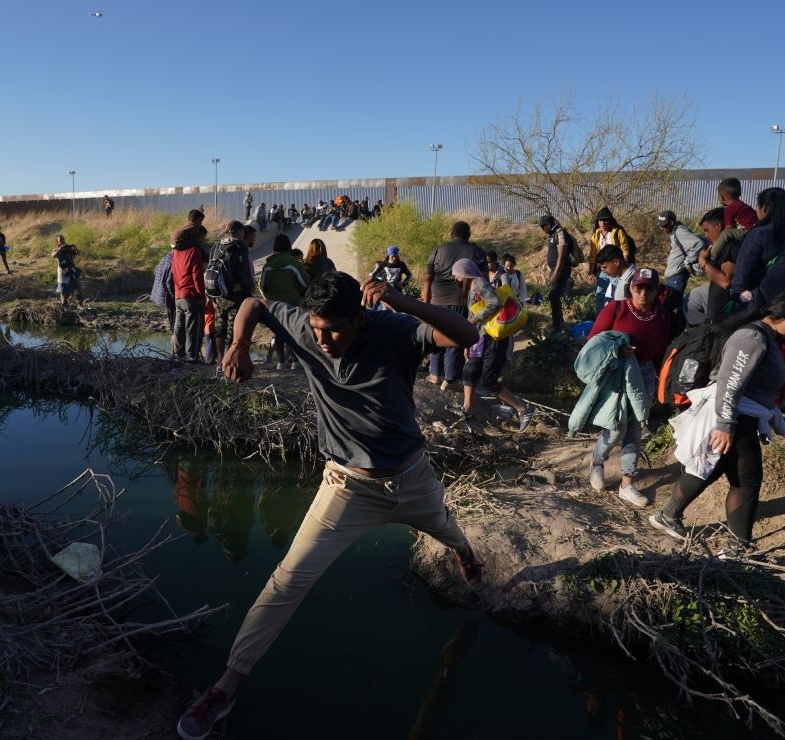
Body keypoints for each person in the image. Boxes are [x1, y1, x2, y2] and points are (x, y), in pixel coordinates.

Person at [175, 271, 486, 740]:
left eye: (333, 331)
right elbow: (252, 304)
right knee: (286, 580)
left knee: (443, 526)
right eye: (316, 329)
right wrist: (239, 343)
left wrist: (401, 300)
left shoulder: (394, 330)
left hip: (410, 477)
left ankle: (463, 551)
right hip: (346, 487)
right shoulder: (306, 327)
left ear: (361, 318)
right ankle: (226, 687)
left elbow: (467, 334)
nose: (322, 340)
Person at [648, 290, 785, 553]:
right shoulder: (752, 337)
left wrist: (769, 413)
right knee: (746, 481)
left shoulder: (762, 336)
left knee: (712, 469)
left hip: (741, 415)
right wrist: (726, 425)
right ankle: (738, 548)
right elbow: (729, 384)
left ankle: (669, 516)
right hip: (735, 417)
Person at [584, 267, 672, 506]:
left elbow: (660, 353)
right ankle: (598, 462)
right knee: (613, 428)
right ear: (631, 287)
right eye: (638, 287)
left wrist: (658, 382)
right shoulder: (616, 308)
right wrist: (617, 351)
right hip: (616, 373)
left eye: (648, 288)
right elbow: (593, 341)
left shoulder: (661, 316)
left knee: (635, 429)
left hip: (643, 374)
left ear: (656, 291)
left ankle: (627, 483)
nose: (643, 292)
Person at [450, 258, 535, 430]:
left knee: (489, 381)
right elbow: (472, 314)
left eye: (457, 276)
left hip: (492, 340)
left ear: (465, 273)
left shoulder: (478, 282)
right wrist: (467, 342)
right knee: (469, 370)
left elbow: (495, 303)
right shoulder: (472, 287)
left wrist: (475, 320)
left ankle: (523, 409)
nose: (457, 280)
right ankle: (466, 408)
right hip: (479, 338)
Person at [730, 187, 785, 311]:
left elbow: (742, 275)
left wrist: (737, 299)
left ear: (764, 208)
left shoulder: (759, 234)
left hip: (765, 305)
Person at [423, 221, 485, 389]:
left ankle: (435, 374)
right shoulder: (476, 251)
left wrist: (425, 302)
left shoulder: (438, 250)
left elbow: (428, 279)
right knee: (455, 338)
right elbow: (482, 279)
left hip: (437, 301)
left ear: (451, 234)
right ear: (469, 235)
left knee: (436, 336)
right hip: (462, 302)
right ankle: (450, 378)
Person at [258, 234, 307, 369]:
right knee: (294, 331)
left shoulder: (267, 265)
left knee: (278, 332)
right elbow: (304, 283)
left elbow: (262, 286)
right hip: (293, 303)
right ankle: (296, 361)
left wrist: (269, 297)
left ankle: (281, 362)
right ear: (289, 247)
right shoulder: (294, 264)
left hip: (273, 304)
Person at [210, 221, 255, 349]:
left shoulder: (216, 245)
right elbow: (244, 270)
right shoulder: (240, 245)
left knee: (219, 327)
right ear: (240, 232)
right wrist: (248, 293)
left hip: (218, 293)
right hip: (235, 293)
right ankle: (229, 358)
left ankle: (220, 359)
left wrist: (211, 292)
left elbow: (210, 268)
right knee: (233, 327)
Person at [171, 210, 208, 362]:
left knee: (179, 327)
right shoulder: (194, 251)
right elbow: (197, 275)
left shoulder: (175, 253)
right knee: (193, 328)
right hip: (192, 295)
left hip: (178, 295)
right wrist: (202, 294)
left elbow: (173, 272)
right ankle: (192, 357)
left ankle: (179, 355)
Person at [696, 208, 742, 324]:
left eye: (707, 230)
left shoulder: (730, 246)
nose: (705, 235)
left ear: (718, 226)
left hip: (724, 316)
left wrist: (703, 261)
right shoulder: (722, 247)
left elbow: (725, 281)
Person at [538, 214, 577, 331]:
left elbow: (562, 255)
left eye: (543, 227)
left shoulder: (560, 233)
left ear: (548, 225)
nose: (542, 229)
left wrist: (555, 273)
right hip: (556, 270)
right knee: (554, 296)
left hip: (561, 269)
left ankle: (558, 325)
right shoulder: (552, 234)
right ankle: (558, 323)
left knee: (554, 295)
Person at [659, 210, 706, 295]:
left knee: (672, 303)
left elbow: (699, 244)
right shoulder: (675, 232)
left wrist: (688, 262)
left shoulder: (679, 232)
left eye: (664, 225)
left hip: (677, 276)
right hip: (674, 276)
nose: (661, 228)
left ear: (671, 222)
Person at [52, 234, 82, 306]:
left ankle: (80, 304)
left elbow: (78, 253)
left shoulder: (68, 249)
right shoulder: (56, 250)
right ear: (57, 242)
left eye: (63, 240)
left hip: (71, 270)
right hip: (63, 272)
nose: (62, 241)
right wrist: (60, 249)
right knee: (64, 290)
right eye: (60, 240)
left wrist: (75, 248)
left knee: (77, 288)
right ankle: (64, 305)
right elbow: (53, 255)